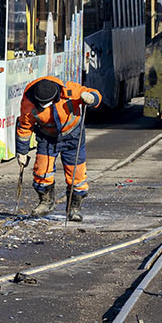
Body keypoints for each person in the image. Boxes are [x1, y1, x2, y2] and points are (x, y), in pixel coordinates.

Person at [15, 76, 101, 222]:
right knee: (42, 171)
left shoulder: (69, 90)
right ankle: (46, 202)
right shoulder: (28, 102)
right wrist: (22, 151)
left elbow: (95, 94)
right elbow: (24, 127)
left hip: (73, 135)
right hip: (47, 137)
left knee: (77, 174)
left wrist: (92, 98)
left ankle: (74, 208)